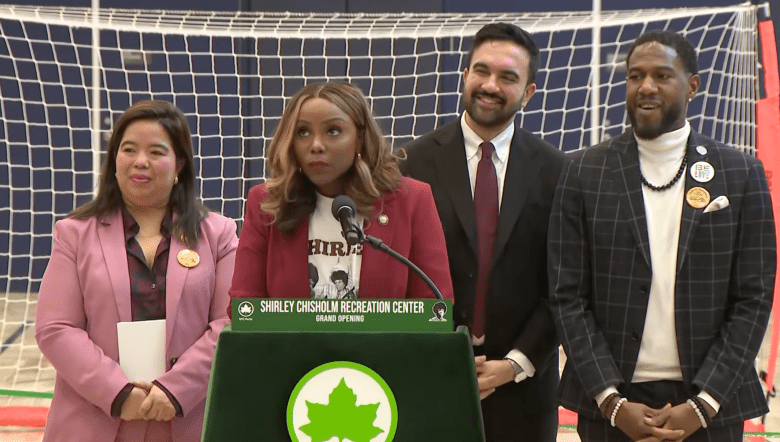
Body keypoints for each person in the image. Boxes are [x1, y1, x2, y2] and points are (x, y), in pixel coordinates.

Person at [549, 30, 776, 442]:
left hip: (710, 405)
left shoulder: (741, 174)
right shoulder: (582, 172)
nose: (646, 87)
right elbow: (568, 297)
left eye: (661, 75)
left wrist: (704, 404)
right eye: (635, 76)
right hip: (612, 406)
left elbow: (754, 297)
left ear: (692, 86)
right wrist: (611, 402)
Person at [35, 100, 238, 442]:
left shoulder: (219, 234)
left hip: (190, 419)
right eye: (129, 149)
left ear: (179, 166)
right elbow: (56, 328)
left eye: (156, 152)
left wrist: (175, 390)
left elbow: (230, 323)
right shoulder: (73, 233)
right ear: (115, 160)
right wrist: (117, 393)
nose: (140, 161)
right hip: (96, 416)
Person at [401, 23, 564, 441]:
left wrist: (515, 363)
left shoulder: (559, 172)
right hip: (428, 378)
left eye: (508, 77)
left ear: (528, 92)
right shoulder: (408, 164)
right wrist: (433, 352)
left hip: (524, 388)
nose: (491, 85)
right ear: (465, 76)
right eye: (481, 71)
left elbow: (567, 286)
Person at [229, 81, 454, 302]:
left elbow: (434, 306)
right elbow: (245, 306)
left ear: (360, 138)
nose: (316, 145)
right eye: (303, 132)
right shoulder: (267, 204)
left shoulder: (412, 200)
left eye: (333, 131)